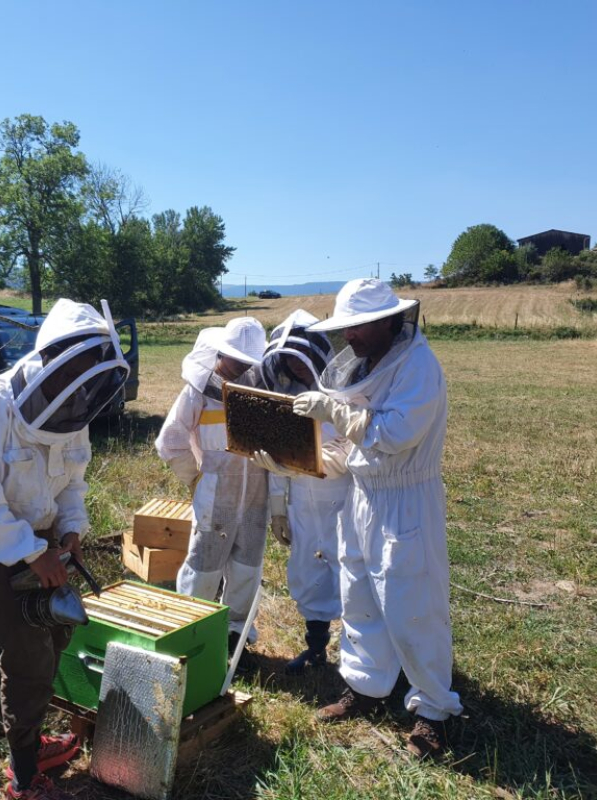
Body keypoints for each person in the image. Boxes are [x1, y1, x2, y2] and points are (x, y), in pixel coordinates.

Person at [0, 299, 130, 800]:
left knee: (57, 640)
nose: (84, 376)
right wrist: (32, 552)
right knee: (27, 656)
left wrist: (71, 529)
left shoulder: (77, 403)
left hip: (47, 545)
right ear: (52, 354)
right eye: (77, 364)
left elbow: (72, 481)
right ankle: (24, 776)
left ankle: (29, 742)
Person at [292, 278, 462, 759]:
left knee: (414, 605)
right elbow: (354, 454)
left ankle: (433, 711)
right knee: (359, 595)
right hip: (364, 498)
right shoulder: (367, 367)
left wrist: (333, 411)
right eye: (345, 328)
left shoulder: (419, 367)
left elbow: (394, 434)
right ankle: (366, 688)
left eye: (359, 327)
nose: (350, 338)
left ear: (390, 320)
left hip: (408, 499)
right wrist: (296, 461)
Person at [155, 317, 268, 661]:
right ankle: (194, 629)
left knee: (248, 566)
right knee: (204, 565)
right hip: (216, 494)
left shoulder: (258, 386)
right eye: (235, 359)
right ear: (220, 353)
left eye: (247, 361)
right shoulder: (197, 391)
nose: (241, 367)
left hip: (255, 495)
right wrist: (196, 478)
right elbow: (170, 441)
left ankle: (235, 634)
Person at [253, 310, 352, 674]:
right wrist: (278, 508)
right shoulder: (286, 396)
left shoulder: (345, 397)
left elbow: (349, 453)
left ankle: (359, 659)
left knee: (350, 576)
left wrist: (302, 463)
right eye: (288, 361)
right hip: (302, 505)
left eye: (300, 360)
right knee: (308, 575)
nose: (294, 368)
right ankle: (315, 649)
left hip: (342, 501)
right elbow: (277, 457)